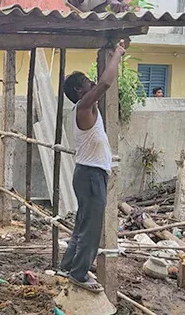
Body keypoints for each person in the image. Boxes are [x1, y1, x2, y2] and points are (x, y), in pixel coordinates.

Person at [57, 40, 127, 293]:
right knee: (91, 228)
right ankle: (78, 274)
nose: (93, 84)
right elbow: (107, 82)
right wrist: (117, 53)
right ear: (79, 91)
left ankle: (67, 266)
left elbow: (101, 81)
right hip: (90, 175)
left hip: (88, 173)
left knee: (83, 224)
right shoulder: (84, 106)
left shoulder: (88, 107)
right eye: (88, 82)